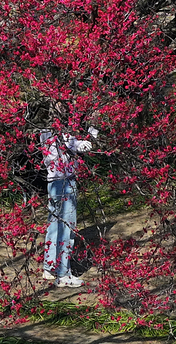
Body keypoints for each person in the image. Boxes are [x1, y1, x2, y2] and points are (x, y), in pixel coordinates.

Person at [39, 122, 99, 288]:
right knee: (66, 228)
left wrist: (87, 136)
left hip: (53, 183)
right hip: (64, 182)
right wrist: (90, 134)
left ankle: (50, 267)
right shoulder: (58, 132)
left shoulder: (45, 129)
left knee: (54, 224)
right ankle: (63, 274)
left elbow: (72, 144)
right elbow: (72, 144)